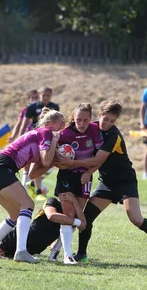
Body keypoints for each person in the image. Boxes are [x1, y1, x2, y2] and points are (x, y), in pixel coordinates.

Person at [59, 100, 147, 264]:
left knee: (136, 218)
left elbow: (98, 159)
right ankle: (81, 254)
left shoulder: (114, 136)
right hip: (106, 183)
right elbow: (75, 135)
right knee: (86, 218)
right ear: (100, 115)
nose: (108, 123)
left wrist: (75, 165)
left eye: (112, 121)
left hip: (125, 182)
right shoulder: (92, 127)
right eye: (106, 118)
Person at [0, 108, 65, 263]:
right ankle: (21, 252)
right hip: (0, 168)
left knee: (14, 214)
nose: (64, 127)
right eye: (62, 123)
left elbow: (33, 174)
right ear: (51, 124)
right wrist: (54, 142)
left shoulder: (41, 136)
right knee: (27, 204)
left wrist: (55, 159)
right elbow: (47, 161)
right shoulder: (46, 132)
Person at [32, 103, 102, 262]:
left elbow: (100, 159)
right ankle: (67, 256)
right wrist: (60, 162)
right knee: (70, 215)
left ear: (91, 119)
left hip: (85, 178)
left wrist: (89, 172)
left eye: (86, 120)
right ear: (73, 118)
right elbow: (52, 155)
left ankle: (56, 250)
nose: (82, 123)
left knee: (76, 216)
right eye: (79, 120)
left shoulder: (95, 131)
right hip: (66, 178)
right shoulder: (64, 134)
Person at [20, 86, 60, 201]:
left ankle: (33, 184)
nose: (46, 97)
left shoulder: (55, 107)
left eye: (48, 95)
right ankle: (37, 191)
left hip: (49, 137)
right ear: (39, 95)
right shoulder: (32, 107)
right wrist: (21, 138)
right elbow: (24, 124)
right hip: (36, 139)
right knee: (38, 162)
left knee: (52, 163)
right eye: (44, 95)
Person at [10, 89, 40, 188]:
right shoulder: (26, 110)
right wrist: (14, 137)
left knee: (41, 162)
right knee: (28, 163)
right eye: (33, 98)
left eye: (36, 97)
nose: (35, 99)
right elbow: (19, 124)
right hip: (28, 138)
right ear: (29, 99)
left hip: (40, 139)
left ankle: (38, 186)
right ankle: (26, 187)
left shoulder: (43, 108)